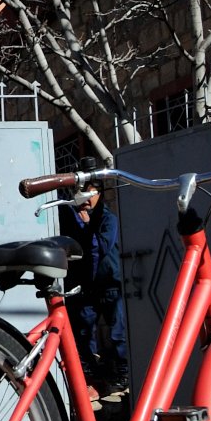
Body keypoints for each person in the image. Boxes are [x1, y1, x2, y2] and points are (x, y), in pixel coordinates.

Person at [66, 167, 128, 396]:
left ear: (99, 193)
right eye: (83, 194)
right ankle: (94, 376)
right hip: (89, 285)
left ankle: (123, 376)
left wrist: (88, 223)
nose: (87, 200)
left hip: (110, 283)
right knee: (84, 333)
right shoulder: (76, 219)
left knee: (118, 334)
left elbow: (102, 246)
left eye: (91, 194)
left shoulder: (106, 219)